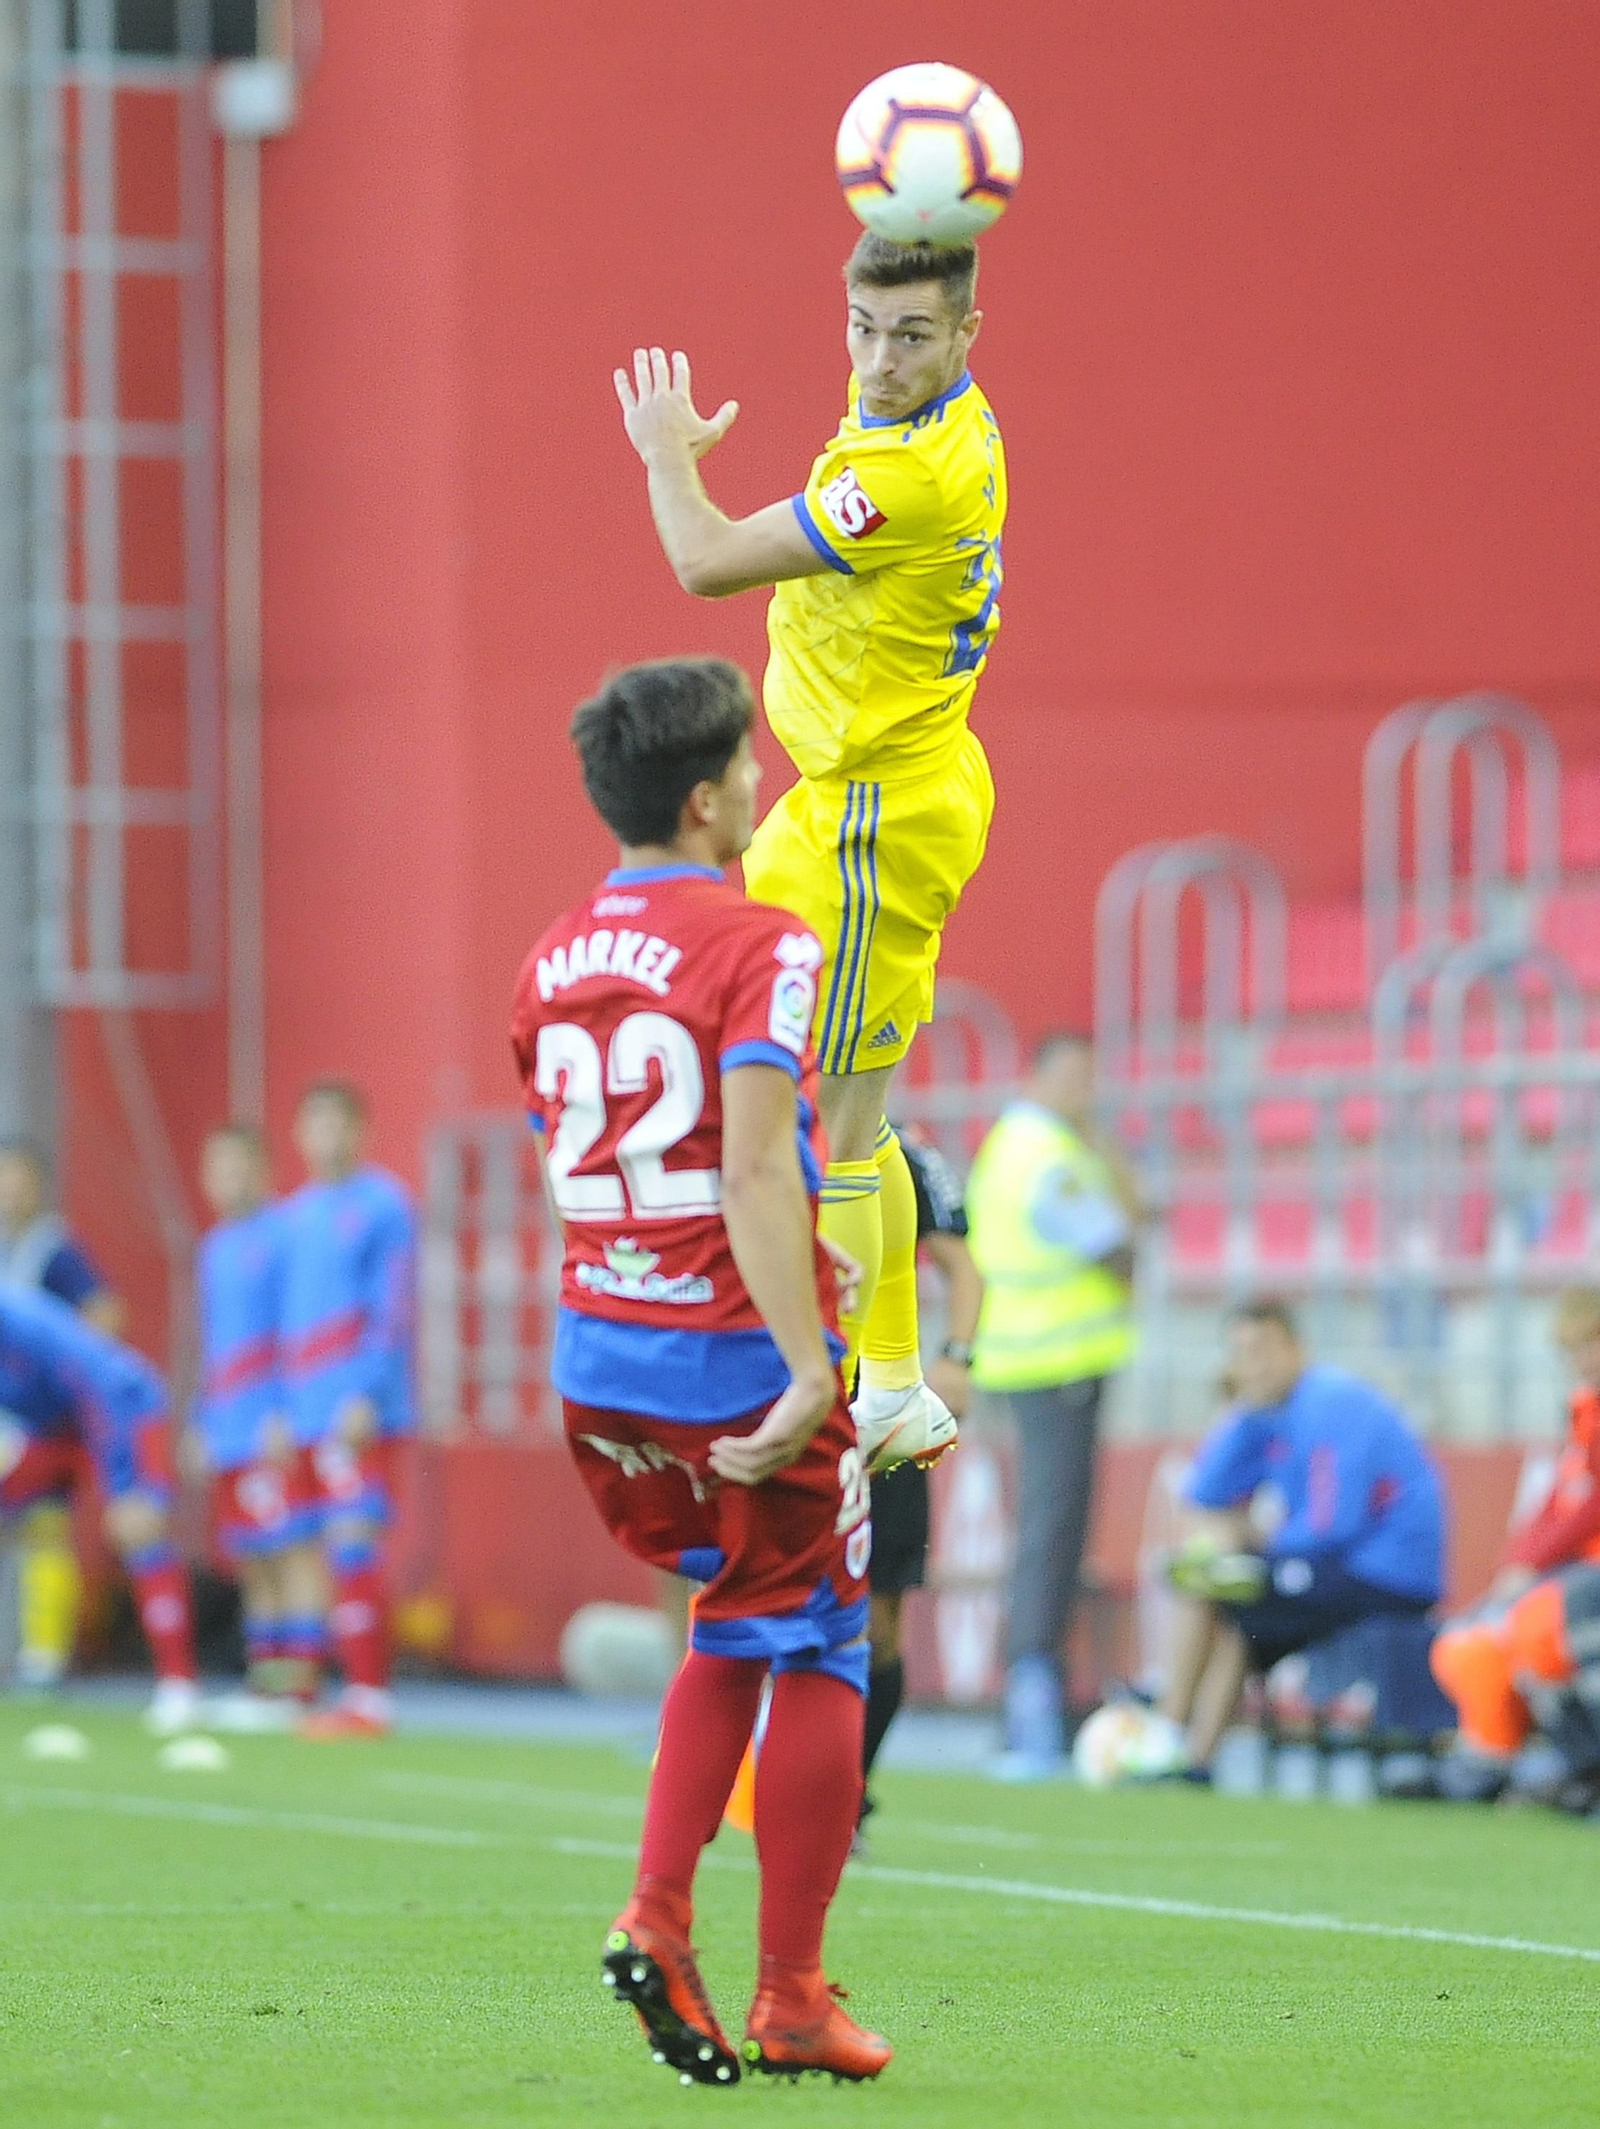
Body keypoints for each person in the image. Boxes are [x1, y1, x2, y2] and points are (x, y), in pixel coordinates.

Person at [510, 656, 890, 2086]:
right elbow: (750, 1164)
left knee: (731, 1623)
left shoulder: (549, 958)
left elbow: (578, 1166)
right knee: (828, 1640)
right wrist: (807, 1364)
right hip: (733, 1352)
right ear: (702, 800)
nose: (760, 780)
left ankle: (664, 1915)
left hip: (601, 1355)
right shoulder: (763, 944)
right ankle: (788, 1991)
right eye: (744, 763)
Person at [614, 231, 1006, 1473]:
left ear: (966, 335)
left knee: (824, 1123)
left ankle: (826, 1384)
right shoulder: (923, 410)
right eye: (862, 327)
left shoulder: (913, 476)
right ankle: (887, 1381)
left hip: (868, 823)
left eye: (912, 335)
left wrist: (666, 455)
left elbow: (704, 561)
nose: (879, 360)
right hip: (868, 792)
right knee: (856, 1114)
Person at [1148, 1299, 1445, 1777]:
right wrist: (1238, 1411)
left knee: (1222, 1588)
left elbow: (1332, 1525)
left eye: (1263, 1350)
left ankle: (1165, 1732)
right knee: (1230, 1598)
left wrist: (1259, 1546)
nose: (1254, 1366)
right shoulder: (1266, 1412)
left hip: (1385, 1573)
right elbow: (1204, 1493)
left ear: (1297, 1349)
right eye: (1241, 1354)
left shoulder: (1330, 1401)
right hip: (1336, 1567)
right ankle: (1192, 1757)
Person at [963, 1032, 1141, 1777]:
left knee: (1045, 1533)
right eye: (1072, 1076)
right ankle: (1032, 1702)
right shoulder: (1049, 1156)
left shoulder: (1014, 1145)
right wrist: (1107, 1156)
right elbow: (1121, 1245)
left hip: (1025, 1359)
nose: (1085, 1092)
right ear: (1035, 1077)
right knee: (1052, 1535)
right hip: (1055, 1363)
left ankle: (1031, 1696)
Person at [1426, 1284, 1600, 1809]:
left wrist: (1532, 1563)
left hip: (1584, 1577)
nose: (1580, 1360)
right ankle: (1491, 1764)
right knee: (1468, 1644)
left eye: (1589, 1344)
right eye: (1572, 1349)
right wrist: (1518, 1561)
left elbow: (1589, 1507)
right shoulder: (1583, 1413)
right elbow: (1558, 1504)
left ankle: (1585, 1767)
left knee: (1538, 1629)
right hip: (1573, 1575)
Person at [278, 1083, 416, 1739]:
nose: (326, 1135)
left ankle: (369, 1694)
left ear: (361, 1131)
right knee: (300, 1546)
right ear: (300, 1134)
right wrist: (280, 1407)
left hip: (355, 1409)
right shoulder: (293, 1215)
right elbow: (284, 1320)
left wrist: (367, 1392)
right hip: (301, 1410)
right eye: (315, 1123)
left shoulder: (384, 1204)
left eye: (338, 1123)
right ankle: (299, 1691)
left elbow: (393, 1306)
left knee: (352, 1538)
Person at [858, 1127, 983, 1837]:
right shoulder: (772, 1130)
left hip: (882, 1405)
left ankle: (849, 1794)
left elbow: (962, 1267)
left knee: (878, 1625)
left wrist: (957, 1356)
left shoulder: (905, 1154)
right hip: (787, 1393)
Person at [0, 1284, 198, 1730]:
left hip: (122, 1408)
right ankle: (39, 1662)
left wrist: (130, 1485)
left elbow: (98, 1384)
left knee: (138, 1528)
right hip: (55, 1427)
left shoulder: (22, 1319)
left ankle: (179, 1685)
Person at [194, 1125, 326, 1717]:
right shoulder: (214, 1247)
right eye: (217, 1169)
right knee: (252, 1556)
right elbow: (213, 1341)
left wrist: (286, 1411)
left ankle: (301, 1684)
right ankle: (266, 1683)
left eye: (238, 1167)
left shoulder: (284, 1236)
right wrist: (202, 1418)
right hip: (228, 1426)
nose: (228, 1180)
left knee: (291, 1546)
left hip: (273, 1422)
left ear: (263, 1171)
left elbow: (298, 1327)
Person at [0, 1137, 125, 1689]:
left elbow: (105, 1313)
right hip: (7, 1421)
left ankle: (45, 1653)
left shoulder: (54, 1251)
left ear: (39, 1186)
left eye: (18, 1177)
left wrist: (70, 1374)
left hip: (45, 1423)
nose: (9, 1189)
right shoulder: (6, 1252)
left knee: (45, 1527)